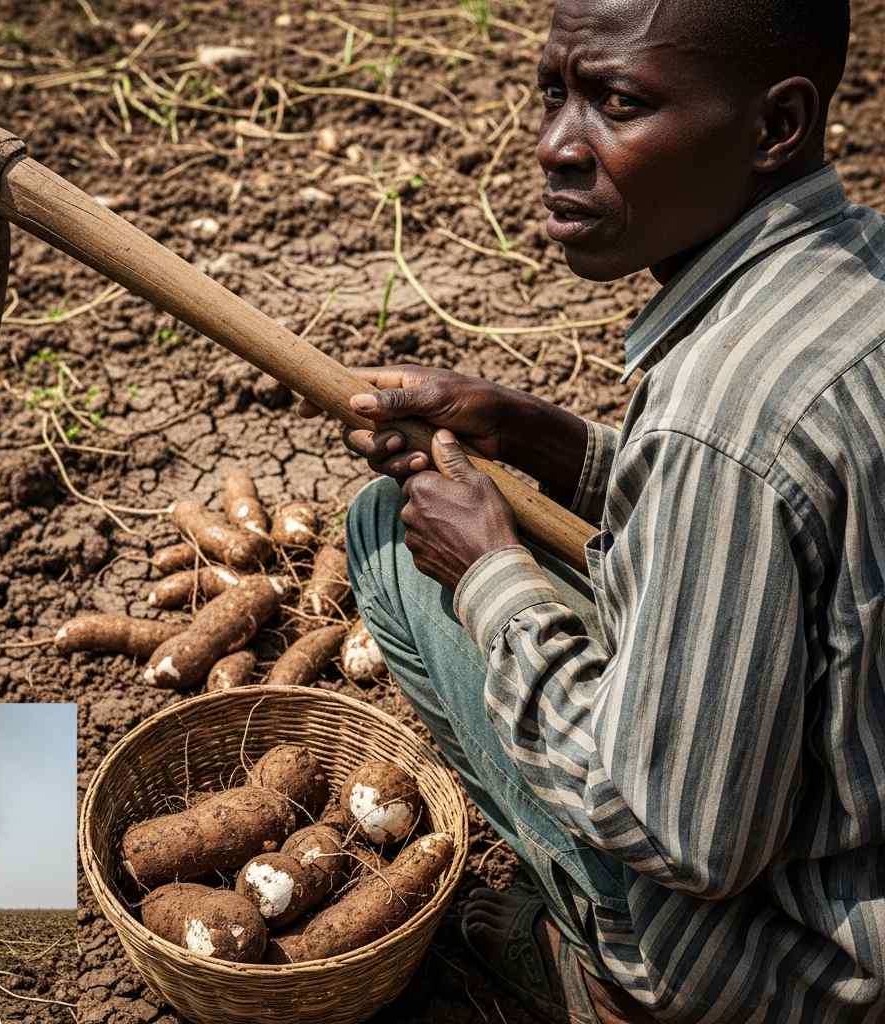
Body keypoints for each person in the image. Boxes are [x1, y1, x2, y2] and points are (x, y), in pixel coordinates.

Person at [298, 0, 885, 1021]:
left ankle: (617, 985)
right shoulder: (859, 274)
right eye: (553, 91)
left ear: (774, 127)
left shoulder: (723, 417)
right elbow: (786, 520)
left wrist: (489, 576)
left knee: (386, 537)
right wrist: (544, 439)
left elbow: (684, 834)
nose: (553, 146)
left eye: (618, 102)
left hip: (804, 974)